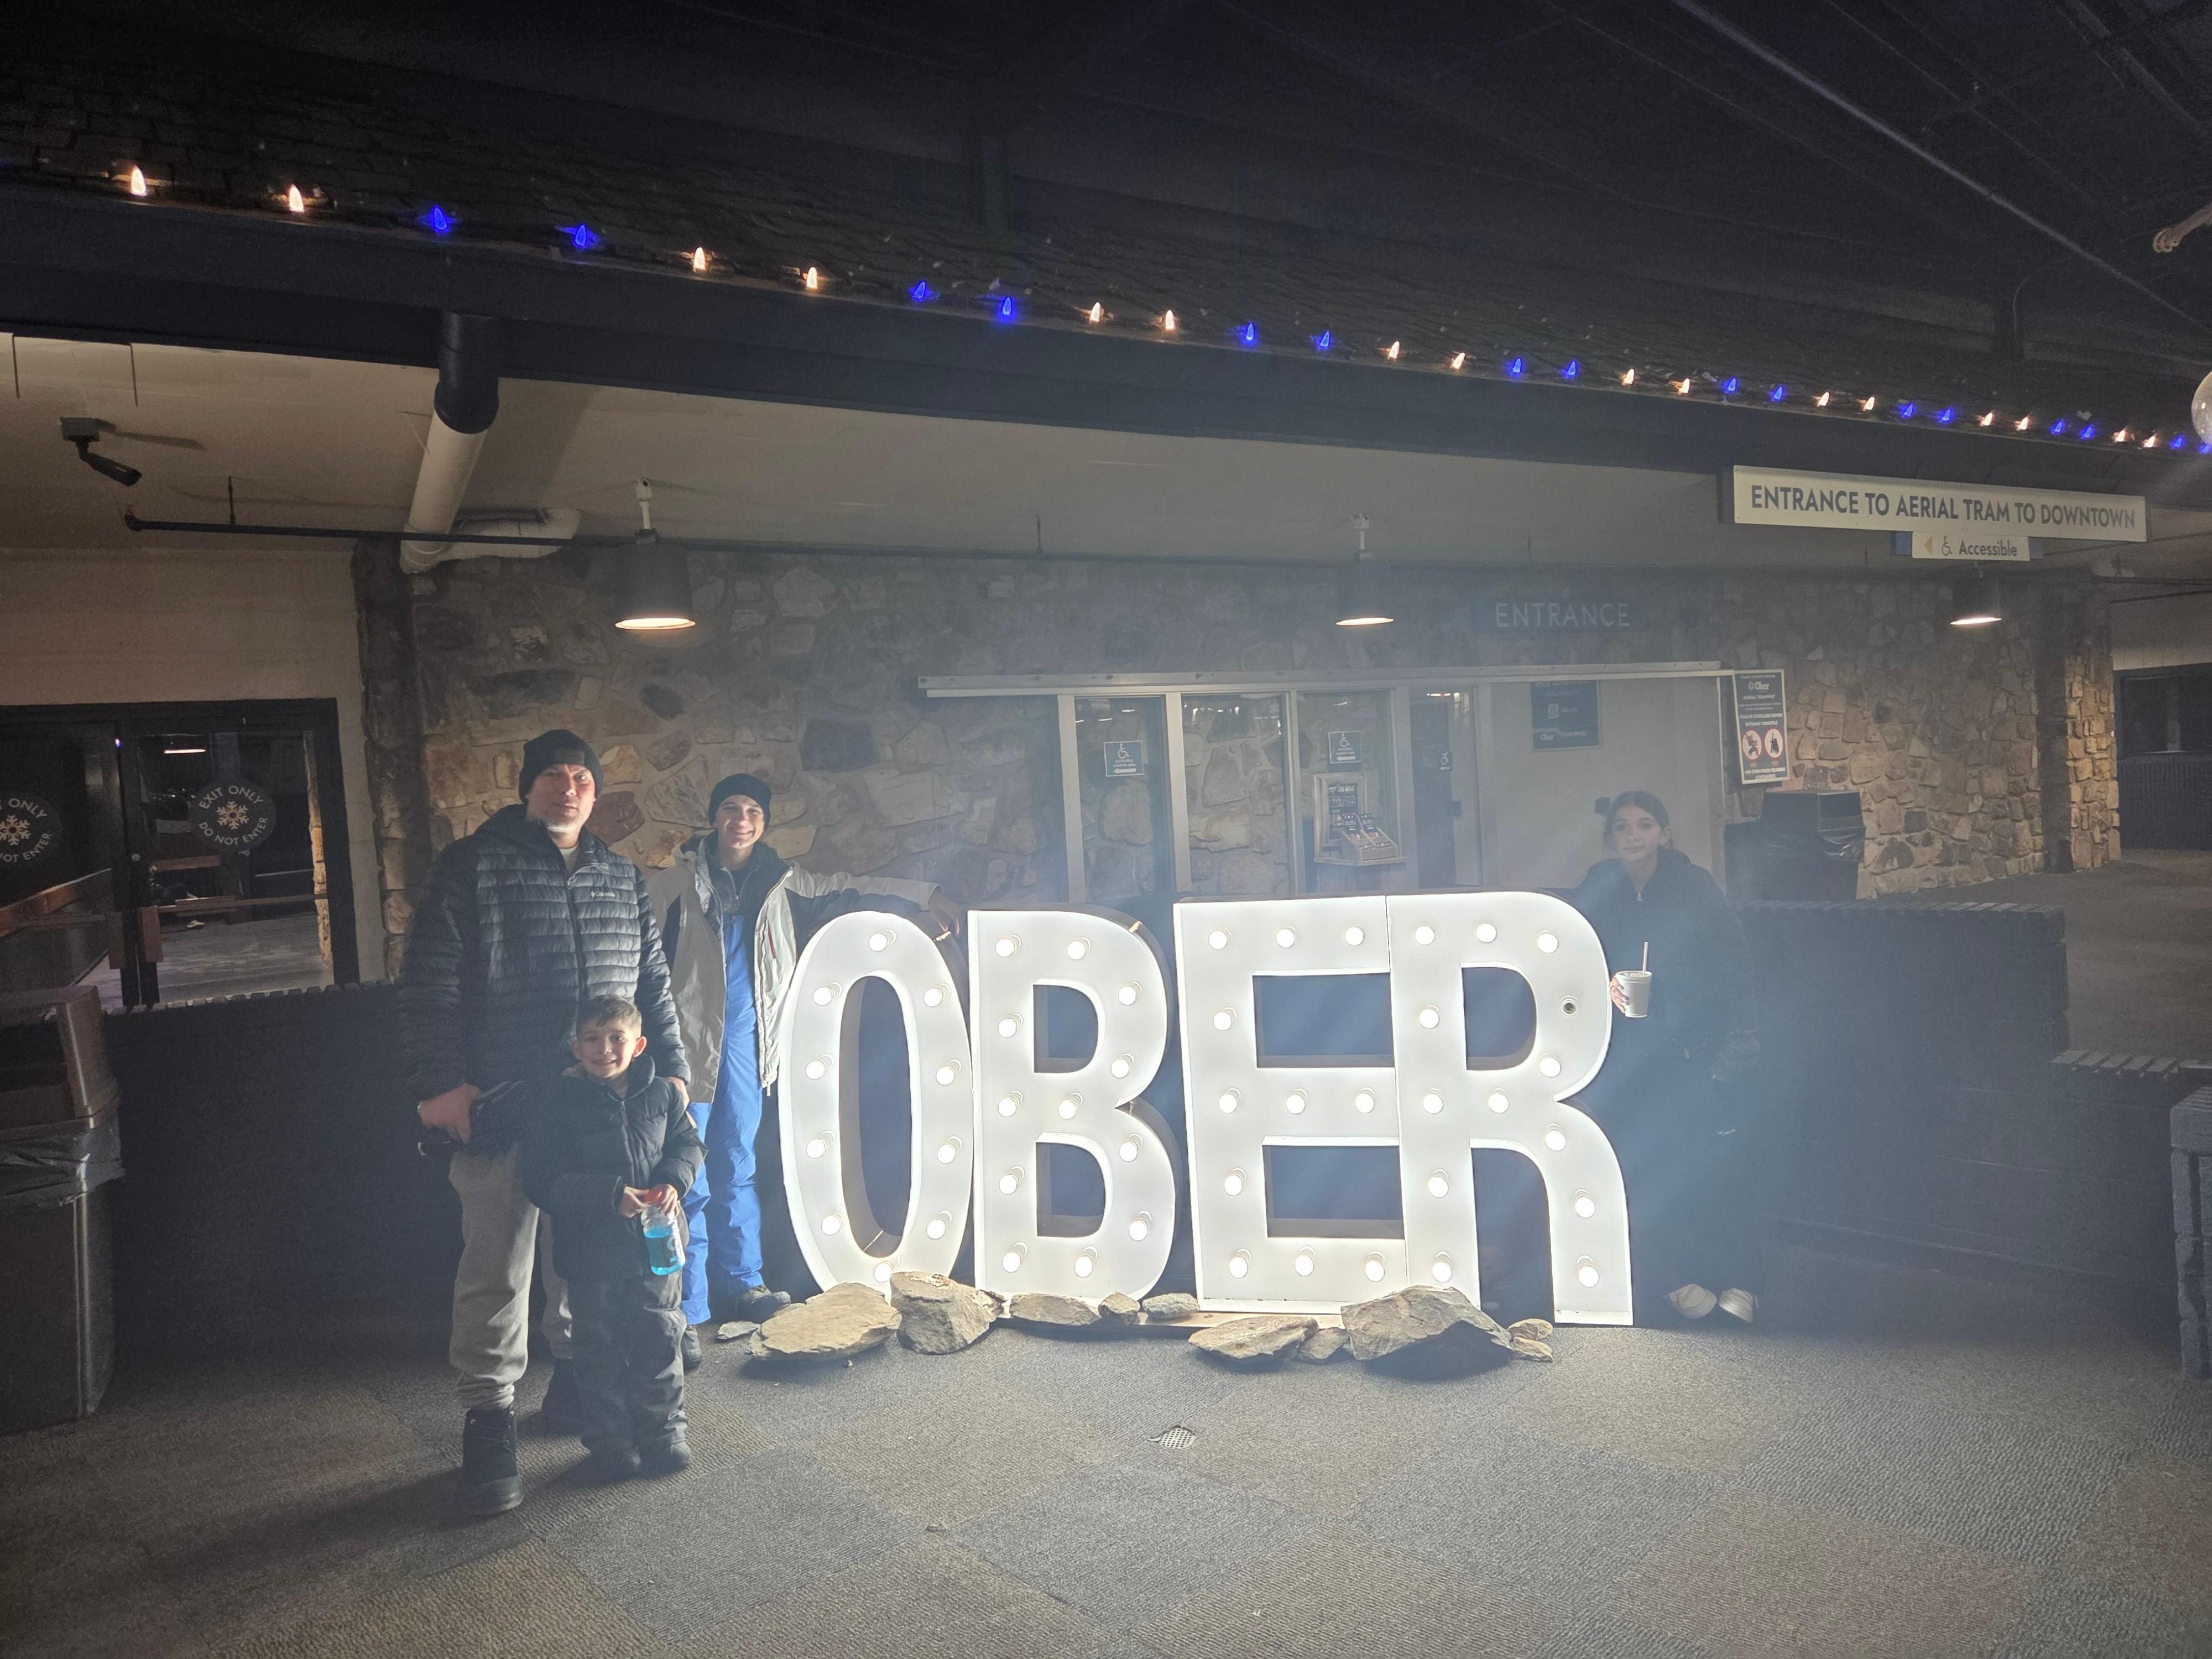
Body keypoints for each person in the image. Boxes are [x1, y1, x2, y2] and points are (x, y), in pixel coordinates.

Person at [400, 729, 690, 1517]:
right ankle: (490, 1417)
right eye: (554, 776)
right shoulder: (471, 867)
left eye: (582, 778)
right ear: (527, 787)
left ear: (595, 791)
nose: (569, 789)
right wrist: (440, 1084)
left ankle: (575, 1384)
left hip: (598, 1109)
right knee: (498, 1268)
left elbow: (653, 985)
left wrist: (673, 1066)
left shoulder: (621, 877)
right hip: (503, 1104)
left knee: (584, 1262)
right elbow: (429, 981)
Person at [648, 773, 957, 1359]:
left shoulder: (786, 885)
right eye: (731, 808)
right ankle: (683, 1308)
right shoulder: (670, 886)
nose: (741, 820)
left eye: (753, 812)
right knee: (683, 1177)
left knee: (737, 1165)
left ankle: (743, 1284)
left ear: (764, 823)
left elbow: (856, 889)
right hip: (682, 1051)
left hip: (745, 1048)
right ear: (713, 818)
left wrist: (926, 896)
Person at [1568, 790, 1762, 1327]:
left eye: (1644, 825)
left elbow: (1733, 963)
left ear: (1664, 834)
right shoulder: (1598, 888)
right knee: (1645, 1170)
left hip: (1694, 1049)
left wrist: (1740, 1037)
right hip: (1630, 1055)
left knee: (1708, 1168)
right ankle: (1671, 1279)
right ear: (1610, 838)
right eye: (1622, 827)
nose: (1633, 835)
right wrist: (1601, 985)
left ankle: (1739, 1279)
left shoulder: (1692, 886)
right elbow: (1574, 957)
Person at [521, 995, 703, 1482]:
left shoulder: (664, 1094)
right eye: (592, 1039)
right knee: (598, 1347)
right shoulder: (556, 1105)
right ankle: (611, 1441)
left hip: (656, 1246)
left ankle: (664, 1432)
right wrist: (609, 1196)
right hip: (591, 1252)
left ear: (638, 1045)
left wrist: (673, 1181)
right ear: (575, 1048)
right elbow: (541, 1180)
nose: (604, 1049)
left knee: (659, 1336)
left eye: (616, 1038)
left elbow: (688, 1144)